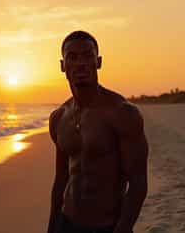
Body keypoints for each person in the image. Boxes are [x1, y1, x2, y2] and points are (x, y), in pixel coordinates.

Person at [47, 31, 148, 233]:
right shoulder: (58, 118)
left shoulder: (122, 113)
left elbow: (138, 183)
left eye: (87, 56)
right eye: (72, 57)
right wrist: (52, 227)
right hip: (66, 223)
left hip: (107, 226)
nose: (80, 63)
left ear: (98, 61)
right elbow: (61, 179)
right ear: (62, 66)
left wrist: (122, 229)